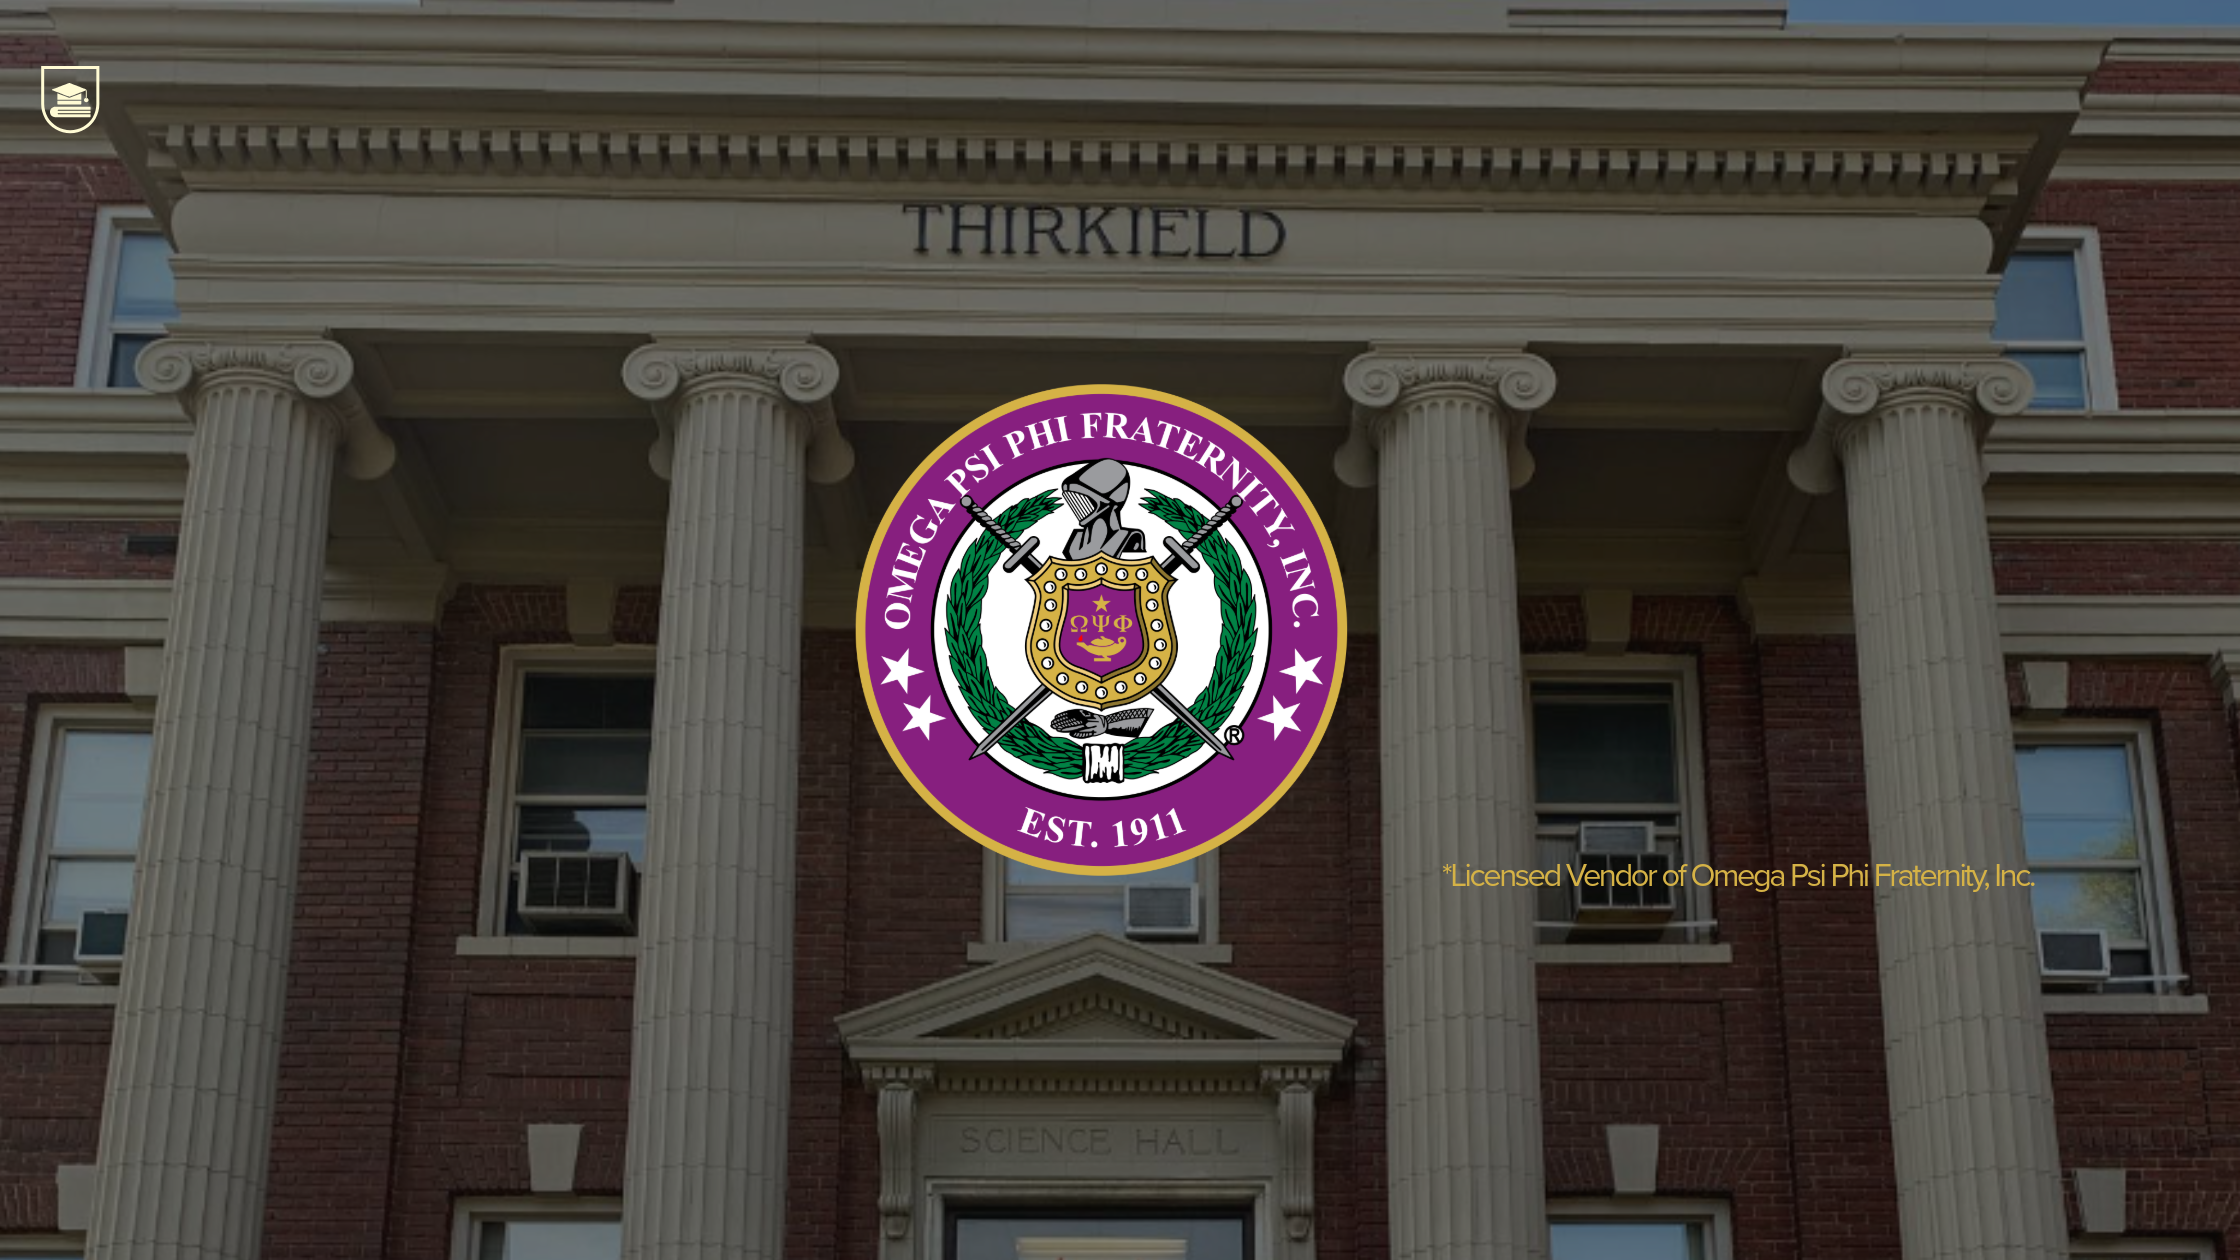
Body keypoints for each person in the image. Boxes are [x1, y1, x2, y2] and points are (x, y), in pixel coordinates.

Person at [1060, 458, 1147, 559]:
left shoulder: (1131, 539)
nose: (1080, 503)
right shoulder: (1074, 543)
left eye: (1086, 498)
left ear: (1114, 501)